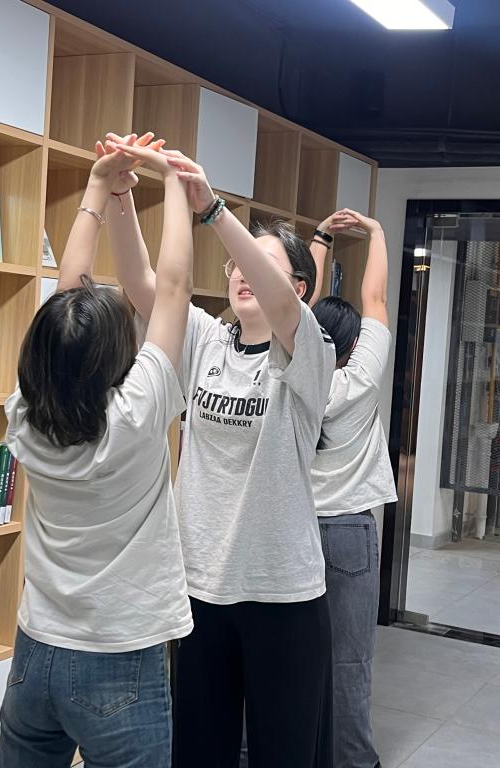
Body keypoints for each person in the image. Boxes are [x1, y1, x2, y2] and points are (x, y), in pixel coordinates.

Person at [107, 143, 337, 768]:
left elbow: (285, 309)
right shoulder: (206, 339)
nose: (239, 273)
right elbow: (142, 284)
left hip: (283, 594)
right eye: (235, 265)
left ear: (297, 286)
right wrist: (121, 195)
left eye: (258, 264)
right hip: (200, 586)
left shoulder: (309, 352)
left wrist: (213, 212)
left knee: (282, 754)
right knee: (198, 750)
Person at [0, 133, 195, 768]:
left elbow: (66, 303)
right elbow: (172, 290)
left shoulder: (26, 415)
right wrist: (173, 182)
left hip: (37, 648)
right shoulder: (134, 417)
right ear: (115, 357)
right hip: (120, 655)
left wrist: (99, 188)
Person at [309, 209, 398, 768]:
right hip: (349, 534)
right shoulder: (360, 379)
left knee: (283, 656)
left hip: (292, 529)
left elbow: (294, 305)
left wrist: (320, 239)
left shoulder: (289, 376)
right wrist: (376, 234)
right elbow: (376, 298)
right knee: (349, 661)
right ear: (353, 343)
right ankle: (352, 761)